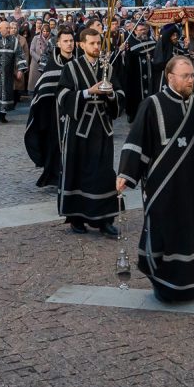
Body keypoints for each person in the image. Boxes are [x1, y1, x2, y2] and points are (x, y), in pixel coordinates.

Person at [116, 56, 194, 303]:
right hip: (163, 188)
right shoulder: (152, 104)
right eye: (186, 76)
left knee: (191, 232)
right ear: (171, 78)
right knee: (164, 232)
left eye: (193, 75)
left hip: (193, 187)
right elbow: (137, 139)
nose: (191, 80)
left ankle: (190, 284)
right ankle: (164, 285)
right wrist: (126, 174)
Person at [56, 28, 125, 236]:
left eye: (98, 43)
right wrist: (89, 92)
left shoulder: (108, 68)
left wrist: (111, 93)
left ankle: (105, 220)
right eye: (92, 43)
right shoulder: (72, 68)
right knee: (79, 172)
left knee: (103, 174)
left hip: (102, 129)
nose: (96, 47)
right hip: (80, 130)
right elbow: (62, 96)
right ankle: (77, 218)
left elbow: (121, 94)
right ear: (82, 45)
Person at [25, 26, 76, 189]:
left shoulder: (79, 63)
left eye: (71, 41)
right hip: (54, 114)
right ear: (59, 43)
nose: (69, 44)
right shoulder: (52, 64)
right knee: (56, 145)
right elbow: (44, 87)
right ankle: (56, 176)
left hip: (76, 113)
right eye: (65, 41)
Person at [120, 22, 157, 122]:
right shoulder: (130, 44)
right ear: (135, 31)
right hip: (136, 79)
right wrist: (123, 53)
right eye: (140, 30)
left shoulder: (152, 42)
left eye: (145, 30)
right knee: (136, 97)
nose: (143, 32)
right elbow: (126, 64)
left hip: (150, 77)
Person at [28, 23, 52, 92]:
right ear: (41, 31)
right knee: (34, 83)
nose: (45, 33)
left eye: (47, 31)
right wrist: (39, 58)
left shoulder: (51, 39)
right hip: (36, 63)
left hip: (47, 63)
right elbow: (31, 50)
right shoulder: (36, 38)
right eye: (44, 31)